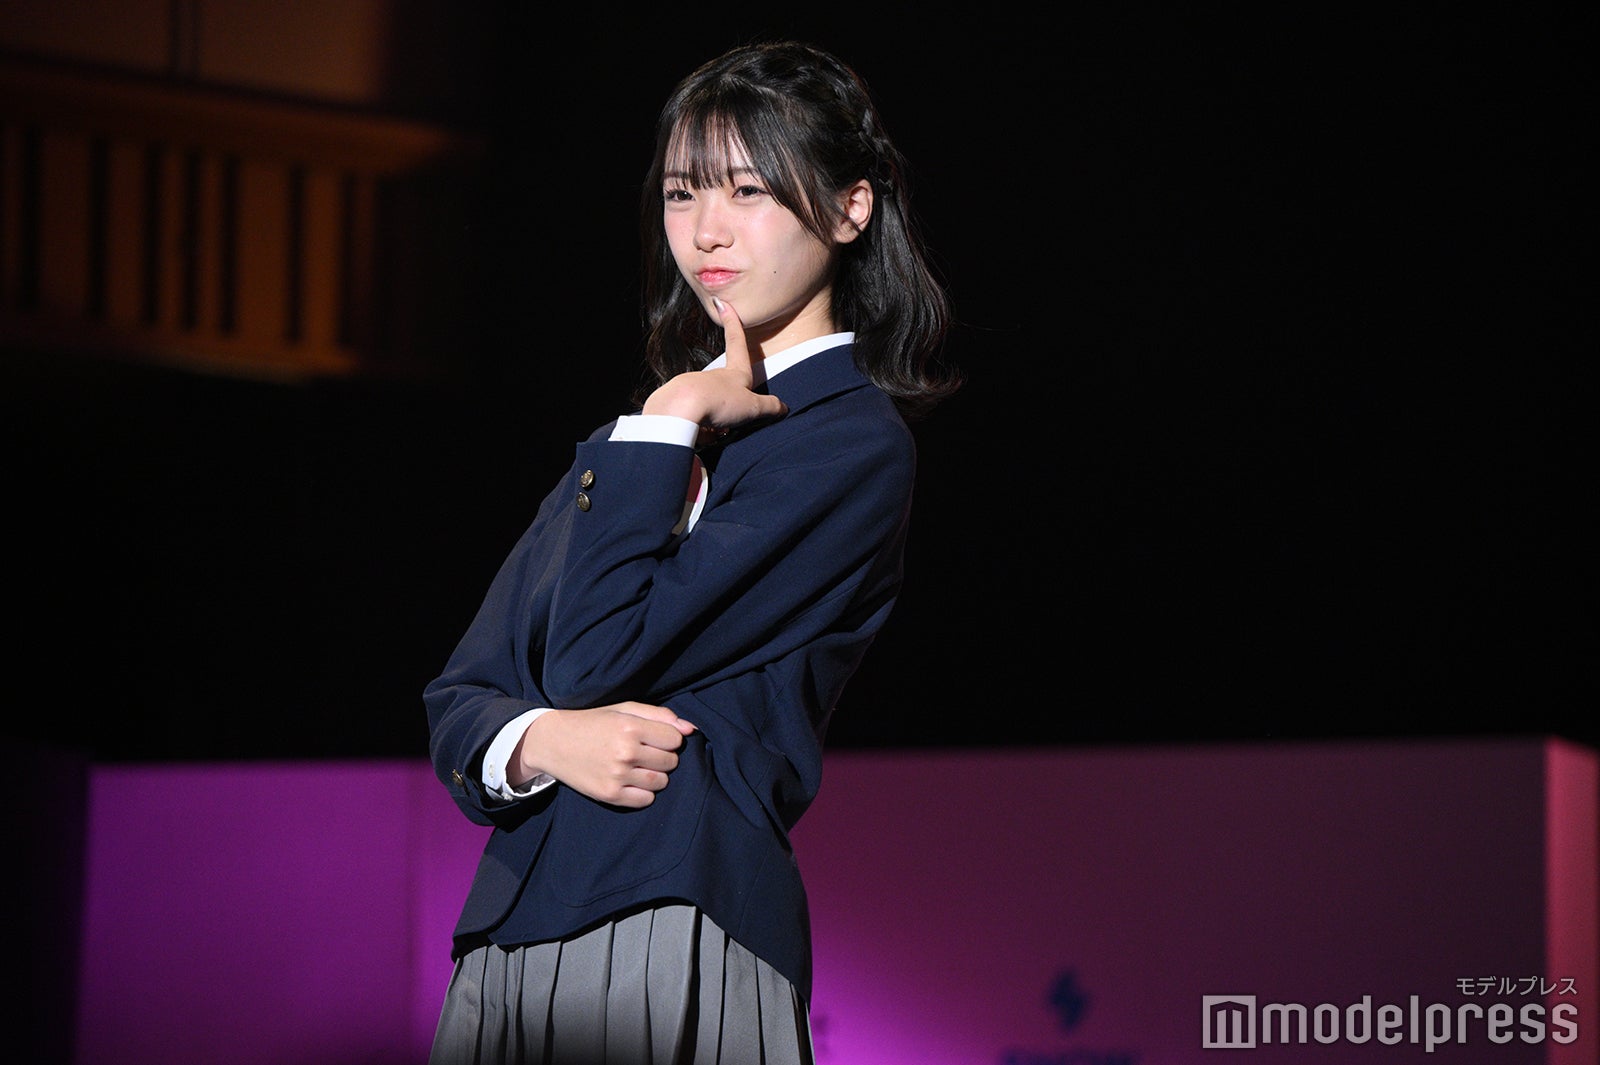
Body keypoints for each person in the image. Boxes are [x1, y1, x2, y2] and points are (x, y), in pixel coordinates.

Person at [424, 38, 959, 1064]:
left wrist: (669, 421)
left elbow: (593, 657)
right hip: (505, 937)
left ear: (850, 208)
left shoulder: (846, 443)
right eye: (681, 192)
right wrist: (543, 743)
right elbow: (458, 696)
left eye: (747, 189)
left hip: (673, 909)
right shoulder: (638, 440)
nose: (706, 230)